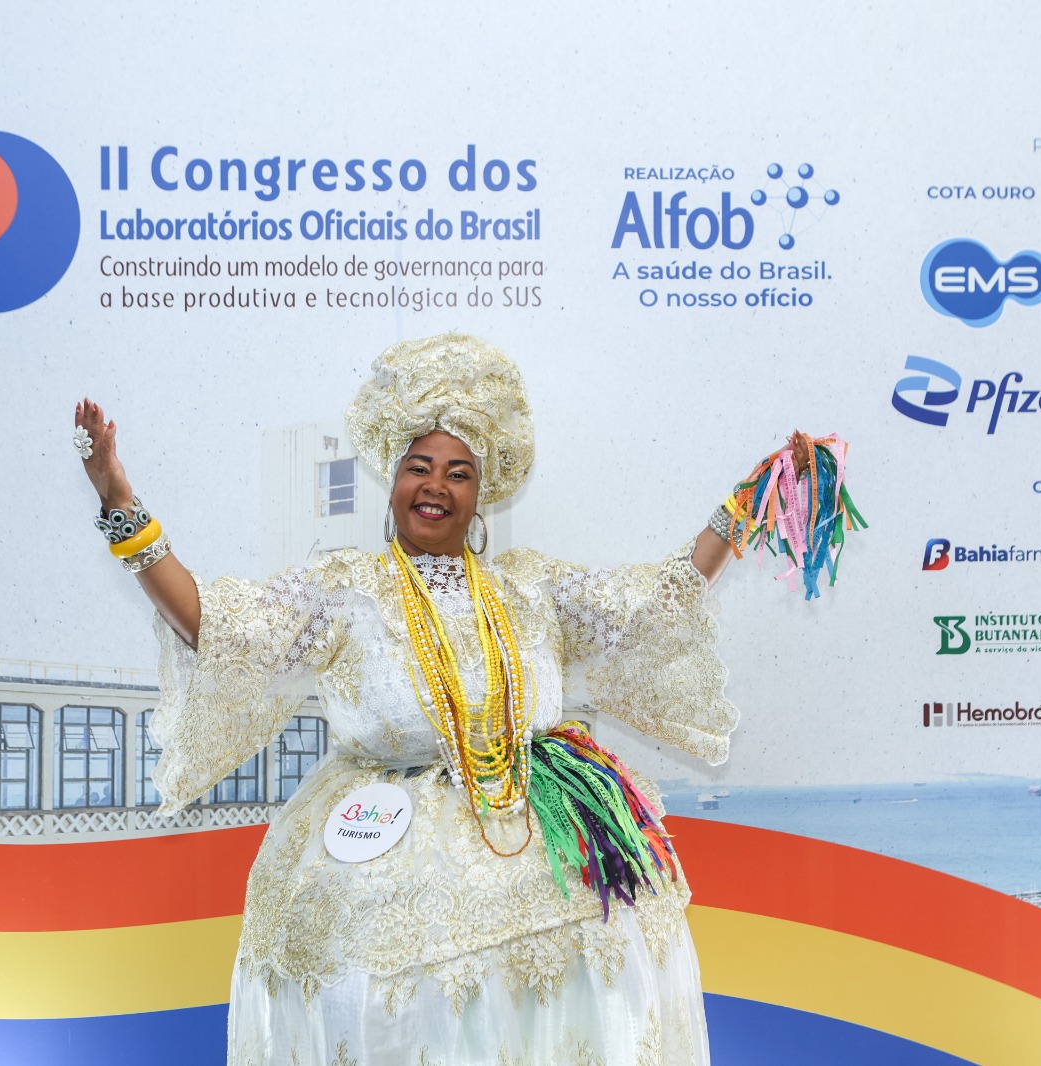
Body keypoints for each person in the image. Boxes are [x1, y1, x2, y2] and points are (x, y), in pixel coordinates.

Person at [74, 333, 809, 1065]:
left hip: (543, 832)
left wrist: (749, 504)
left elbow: (658, 601)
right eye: (418, 468)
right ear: (393, 482)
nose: (436, 486)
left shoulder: (529, 586)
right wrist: (120, 506)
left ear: (480, 496)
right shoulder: (346, 588)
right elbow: (212, 622)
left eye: (459, 473)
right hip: (377, 847)